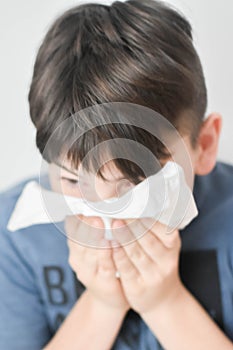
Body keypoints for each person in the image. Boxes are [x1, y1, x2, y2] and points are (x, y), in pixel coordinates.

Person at [0, 0, 232, 349]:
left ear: (205, 144)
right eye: (74, 181)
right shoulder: (15, 238)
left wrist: (165, 303)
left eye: (137, 182)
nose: (112, 214)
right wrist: (101, 305)